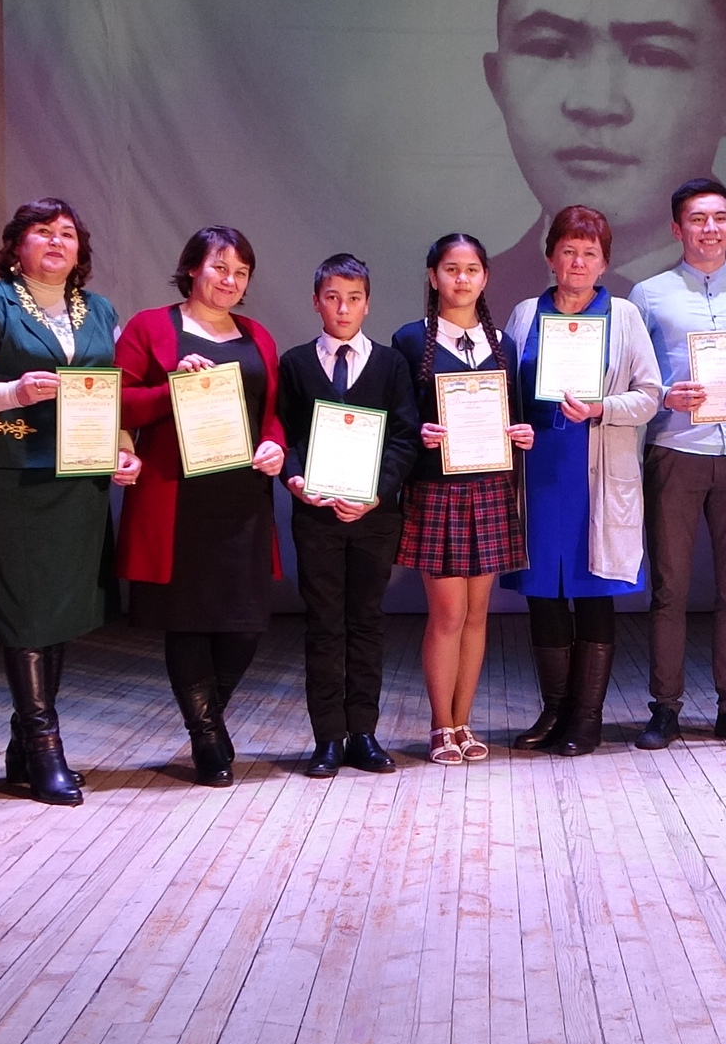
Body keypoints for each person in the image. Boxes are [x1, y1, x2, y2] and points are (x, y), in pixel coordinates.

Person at [480, 0, 726, 317]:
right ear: (497, 82)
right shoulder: (476, 297)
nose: (595, 103)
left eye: (652, 56)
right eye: (551, 49)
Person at [0, 198, 141, 807]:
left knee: (60, 610)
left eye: (67, 233)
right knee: (25, 609)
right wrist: (12, 391)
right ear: (16, 245)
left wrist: (122, 448)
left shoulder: (101, 309)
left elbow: (112, 392)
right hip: (12, 474)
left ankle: (23, 745)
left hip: (79, 479)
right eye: (42, 231)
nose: (57, 241)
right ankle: (44, 747)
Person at [114, 227, 288, 787]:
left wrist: (275, 446)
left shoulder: (258, 336)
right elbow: (119, 402)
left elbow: (270, 414)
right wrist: (172, 386)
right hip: (177, 498)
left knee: (244, 626)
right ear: (192, 267)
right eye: (219, 267)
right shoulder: (150, 327)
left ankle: (207, 721)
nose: (230, 280)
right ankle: (207, 736)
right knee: (187, 623)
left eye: (241, 272)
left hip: (242, 498)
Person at [501, 205, 665, 754]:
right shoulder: (526, 313)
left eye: (589, 253)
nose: (577, 261)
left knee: (593, 592)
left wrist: (600, 408)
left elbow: (650, 396)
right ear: (550, 256)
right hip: (539, 473)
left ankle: (587, 718)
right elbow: (507, 390)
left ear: (604, 262)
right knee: (543, 593)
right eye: (568, 250)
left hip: (596, 473)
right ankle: (554, 711)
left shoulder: (624, 316)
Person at [629, 177, 726, 748]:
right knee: (670, 588)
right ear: (677, 229)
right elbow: (633, 378)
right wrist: (665, 395)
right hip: (675, 450)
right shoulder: (648, 295)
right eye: (697, 219)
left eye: (719, 217)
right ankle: (665, 707)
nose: (709, 229)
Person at [392, 234, 537, 765]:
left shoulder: (502, 343)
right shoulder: (411, 339)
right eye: (451, 269)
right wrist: (420, 434)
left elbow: (514, 415)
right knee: (448, 614)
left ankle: (464, 721)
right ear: (433, 277)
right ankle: (439, 725)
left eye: (472, 269)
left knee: (478, 614)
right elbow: (400, 420)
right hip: (437, 491)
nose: (461, 279)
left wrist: (522, 434)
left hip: (491, 488)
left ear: (485, 277)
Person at [278, 254, 422, 776]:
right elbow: (285, 434)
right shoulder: (296, 363)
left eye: (354, 298)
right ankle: (327, 738)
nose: (343, 308)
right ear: (316, 301)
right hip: (315, 515)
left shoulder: (390, 364)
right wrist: (295, 479)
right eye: (333, 298)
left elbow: (404, 438)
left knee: (367, 621)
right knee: (324, 624)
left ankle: (363, 732)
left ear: (368, 304)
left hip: (374, 516)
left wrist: (376, 494)